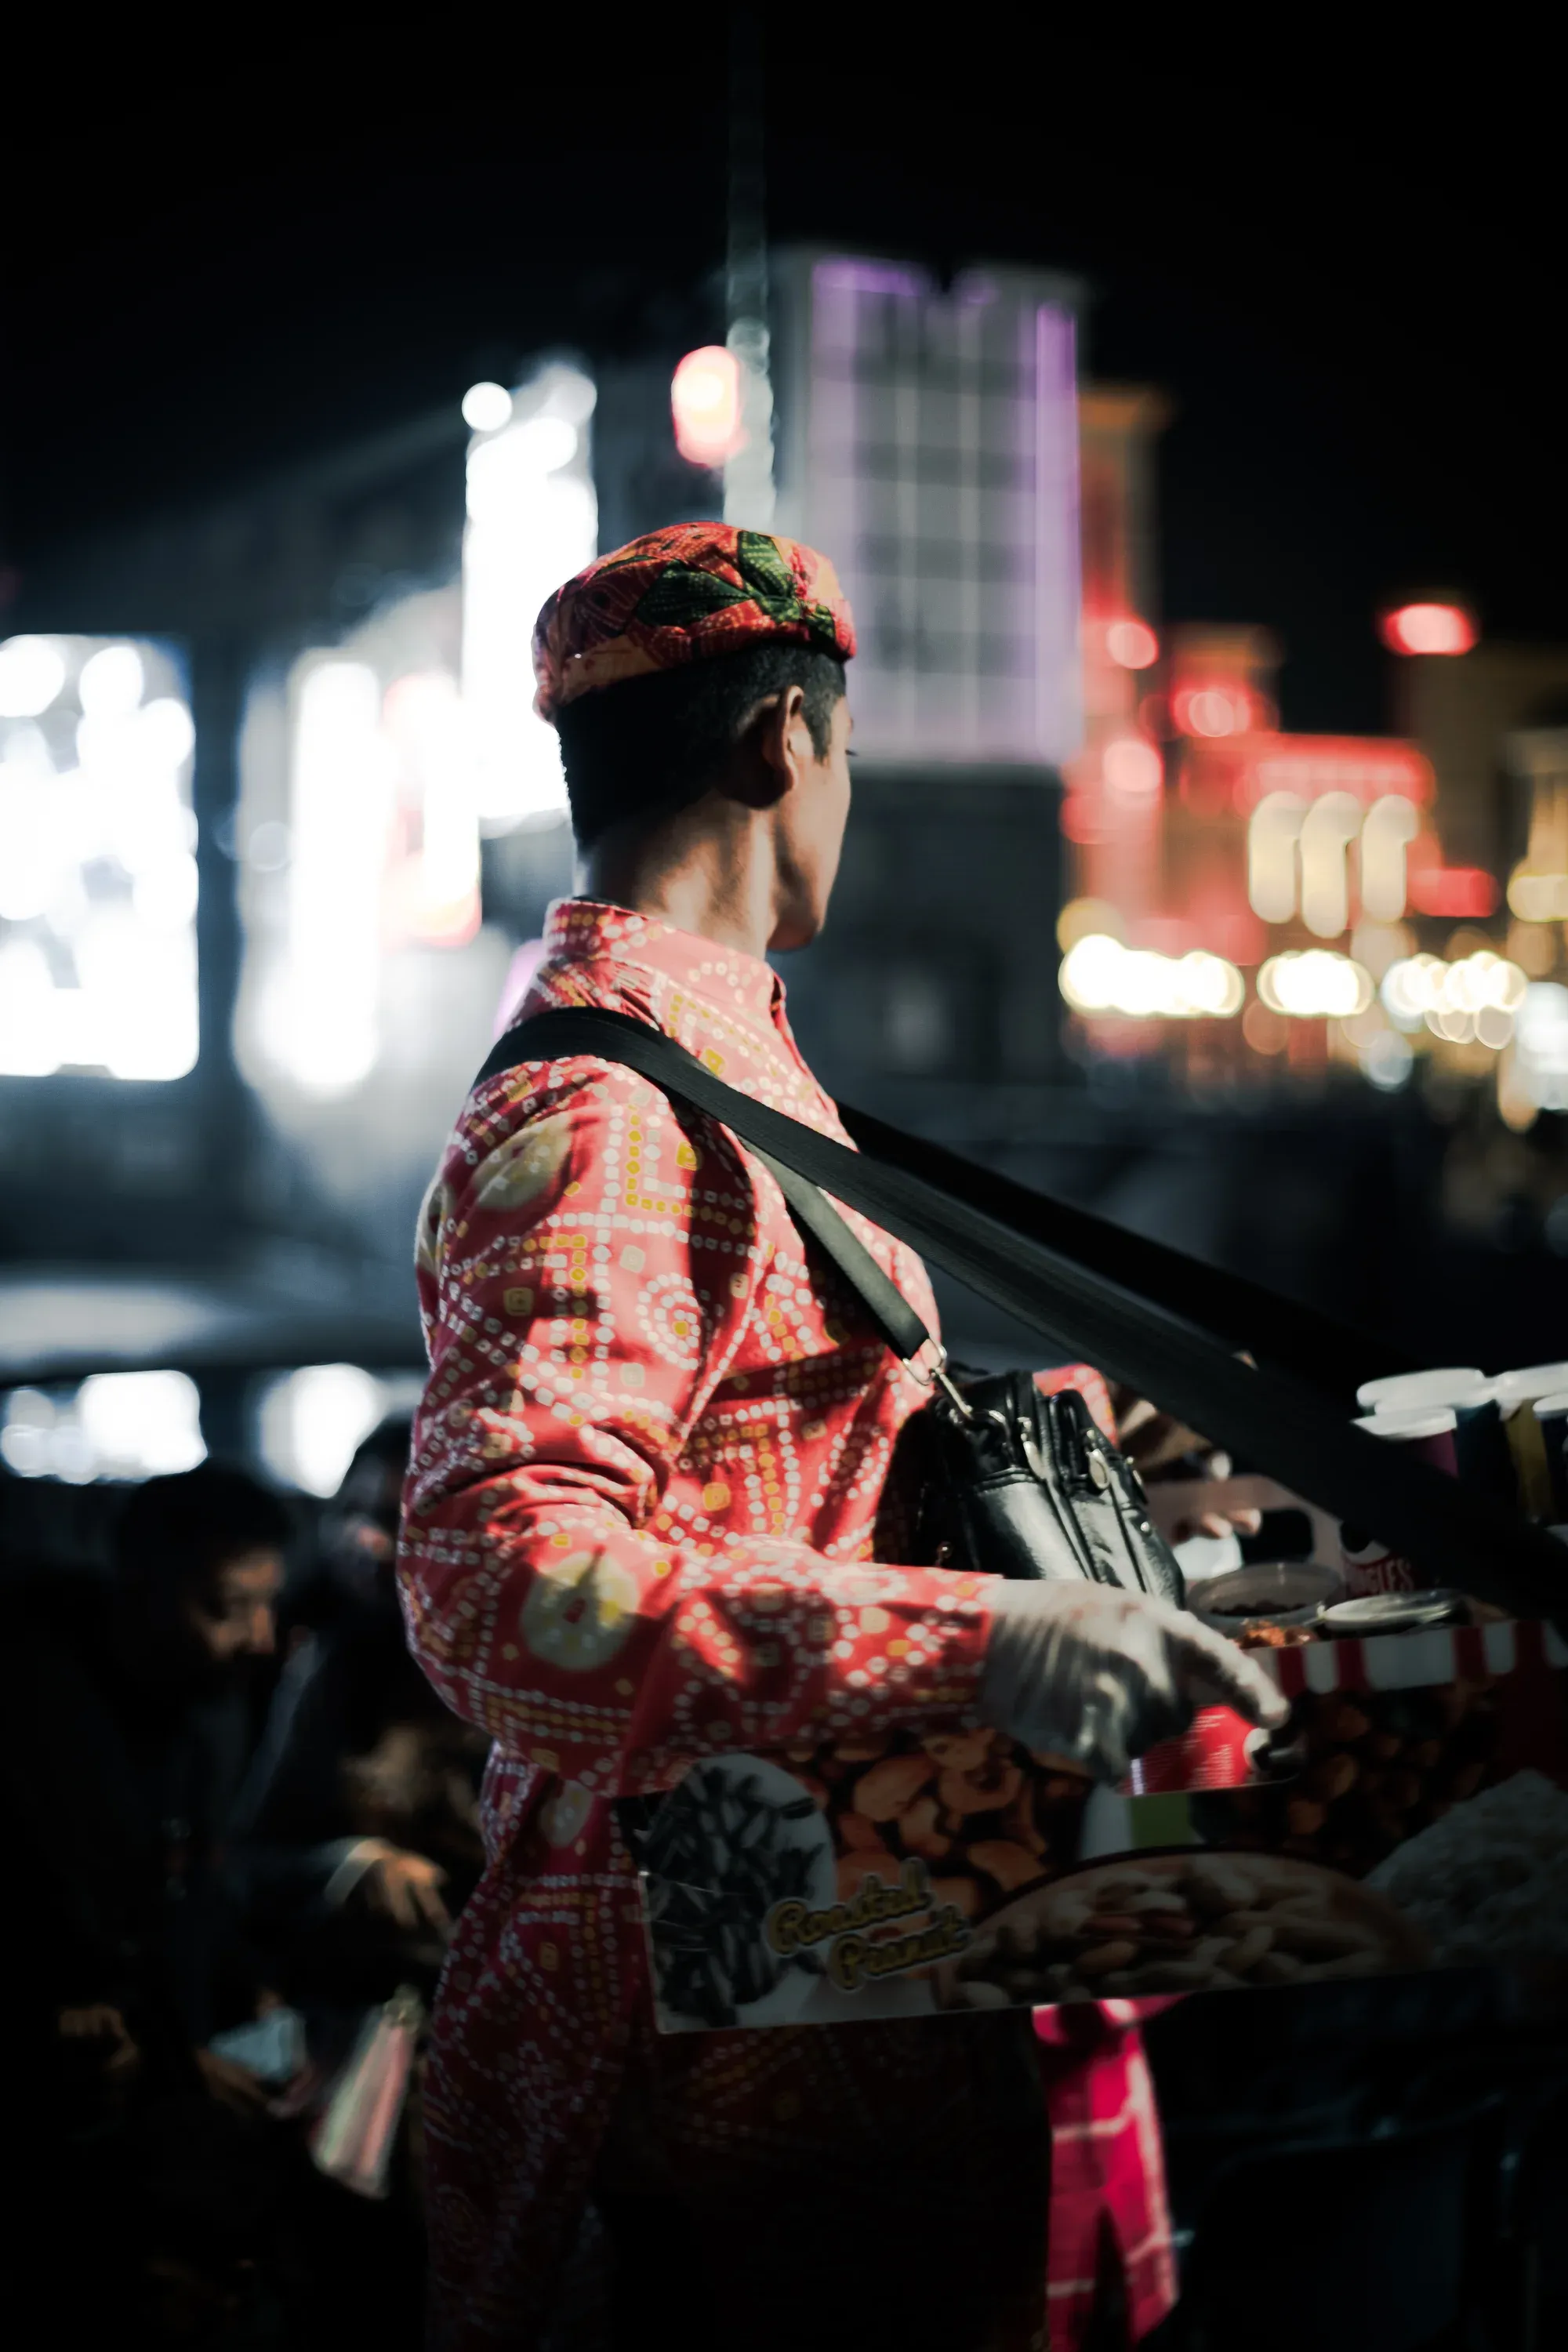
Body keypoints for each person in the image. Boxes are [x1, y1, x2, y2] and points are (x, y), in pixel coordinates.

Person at [397, 523, 1285, 2352]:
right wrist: (994, 1639)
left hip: (843, 1984)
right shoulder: (609, 1107)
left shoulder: (704, 1054)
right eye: (852, 757)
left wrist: (1053, 1450)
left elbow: (755, 1451)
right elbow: (498, 1583)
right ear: (782, 745)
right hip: (730, 2061)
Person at [2, 1461, 298, 2332]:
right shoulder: (32, 1708)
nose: (260, 1637)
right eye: (226, 1607)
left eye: (264, 1604)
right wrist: (167, 2055)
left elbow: (197, 1875)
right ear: (135, 1590)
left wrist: (248, 1986)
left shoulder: (206, 1700)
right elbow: (62, 1917)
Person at [230, 1417, 489, 2009]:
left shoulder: (531, 1673)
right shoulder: (330, 1663)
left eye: (399, 1523)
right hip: (379, 1999)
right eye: (355, 1511)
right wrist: (354, 1863)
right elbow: (250, 1862)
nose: (369, 1541)